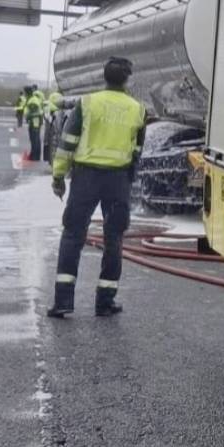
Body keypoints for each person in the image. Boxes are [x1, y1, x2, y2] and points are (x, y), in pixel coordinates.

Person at [48, 57, 146, 318]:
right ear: (127, 80)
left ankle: (63, 302)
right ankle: (105, 302)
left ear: (104, 77)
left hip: (86, 178)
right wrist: (128, 178)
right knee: (114, 238)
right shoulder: (137, 109)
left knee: (72, 235)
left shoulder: (88, 103)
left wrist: (58, 176)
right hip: (117, 180)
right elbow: (137, 149)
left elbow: (68, 141)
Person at [25, 87, 44, 161]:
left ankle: (34, 156)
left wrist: (28, 116)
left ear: (27, 93)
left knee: (34, 138)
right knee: (36, 138)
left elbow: (35, 112)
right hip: (35, 120)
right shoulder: (33, 99)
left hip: (35, 121)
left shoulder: (32, 101)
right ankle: (35, 155)